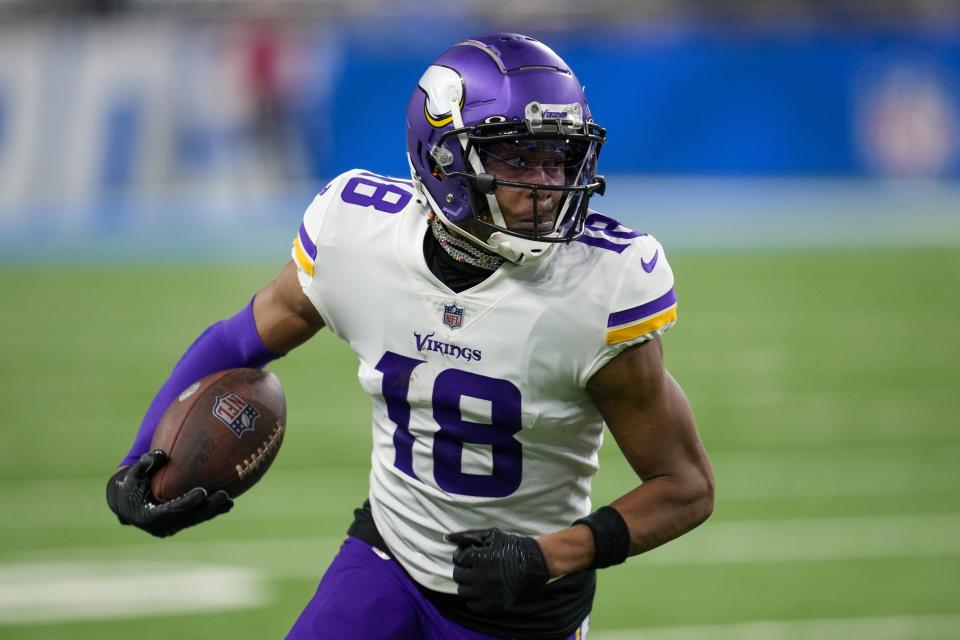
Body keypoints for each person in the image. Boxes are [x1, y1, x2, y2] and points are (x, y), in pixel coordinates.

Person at [106, 33, 714, 640]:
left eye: (558, 159)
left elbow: (684, 487)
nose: (547, 186)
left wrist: (551, 555)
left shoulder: (601, 286)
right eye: (518, 158)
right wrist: (142, 462)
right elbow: (239, 342)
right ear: (444, 159)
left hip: (523, 606)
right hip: (388, 559)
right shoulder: (357, 236)